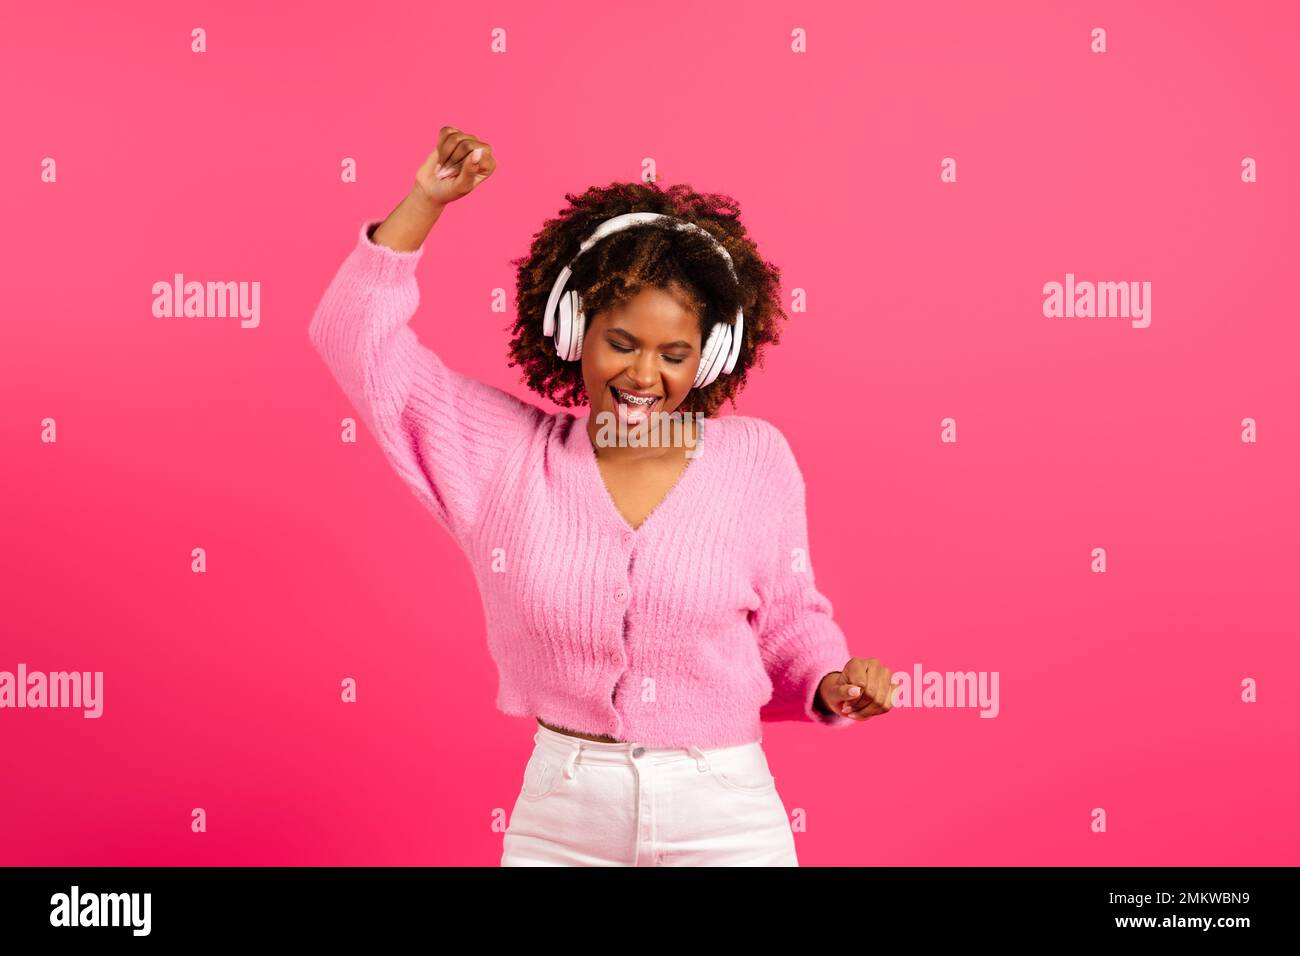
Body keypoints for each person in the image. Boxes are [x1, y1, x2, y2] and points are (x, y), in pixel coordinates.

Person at [308, 126, 896, 866]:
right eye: (621, 343)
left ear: (709, 357)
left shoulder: (756, 460)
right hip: (564, 818)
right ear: (572, 332)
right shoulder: (501, 455)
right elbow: (353, 338)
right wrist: (426, 200)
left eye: (674, 354)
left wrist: (832, 682)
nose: (645, 375)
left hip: (726, 815)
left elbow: (787, 618)